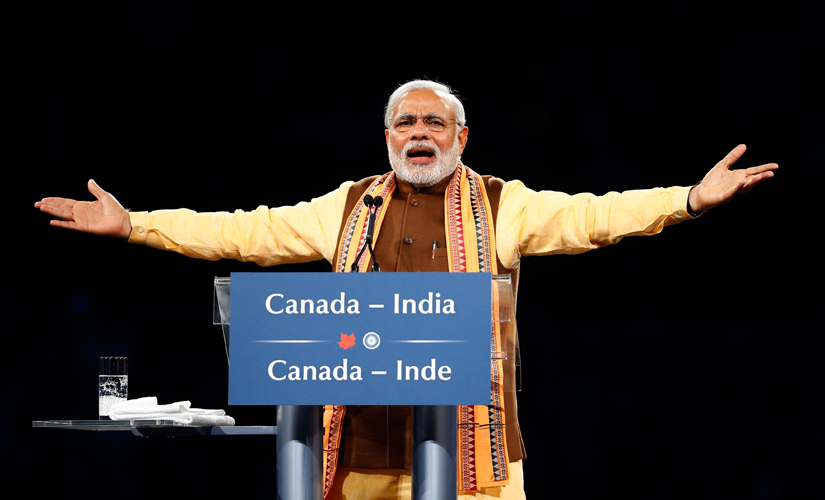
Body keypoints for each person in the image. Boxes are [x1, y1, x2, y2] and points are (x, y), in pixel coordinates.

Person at [35, 79, 777, 500]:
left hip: (475, 453)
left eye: (434, 122)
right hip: (359, 451)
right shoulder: (348, 204)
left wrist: (686, 200)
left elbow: (593, 216)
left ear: (460, 137)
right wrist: (135, 225)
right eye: (404, 123)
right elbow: (245, 231)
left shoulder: (501, 204)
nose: (418, 132)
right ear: (388, 137)